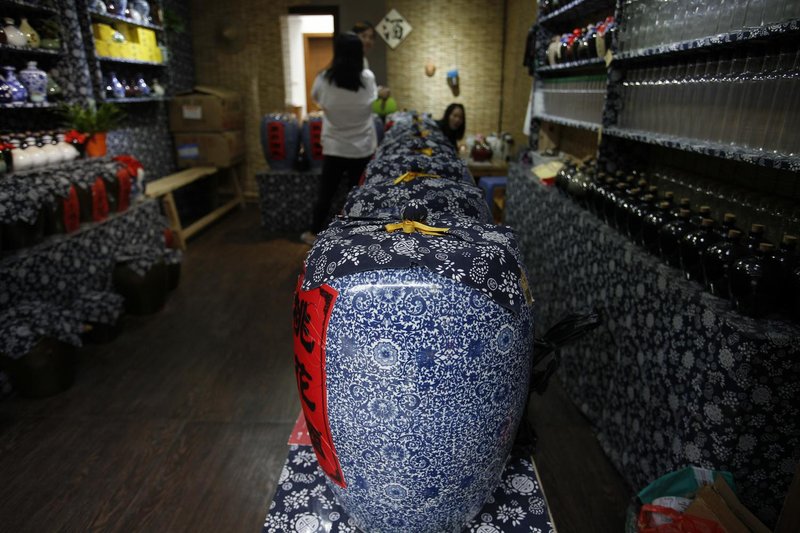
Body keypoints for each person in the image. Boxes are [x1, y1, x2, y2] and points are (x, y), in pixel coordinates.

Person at [300, 33, 378, 246]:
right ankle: (357, 237)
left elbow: (316, 98)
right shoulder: (367, 78)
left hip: (334, 146)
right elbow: (372, 98)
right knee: (358, 195)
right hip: (362, 147)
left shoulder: (324, 79)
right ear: (359, 53)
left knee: (326, 193)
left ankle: (314, 233)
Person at [351, 21, 391, 100]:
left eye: (371, 38)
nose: (367, 41)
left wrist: (377, 90)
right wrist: (377, 93)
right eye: (363, 36)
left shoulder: (363, 60)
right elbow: (353, 92)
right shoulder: (348, 60)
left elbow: (364, 88)